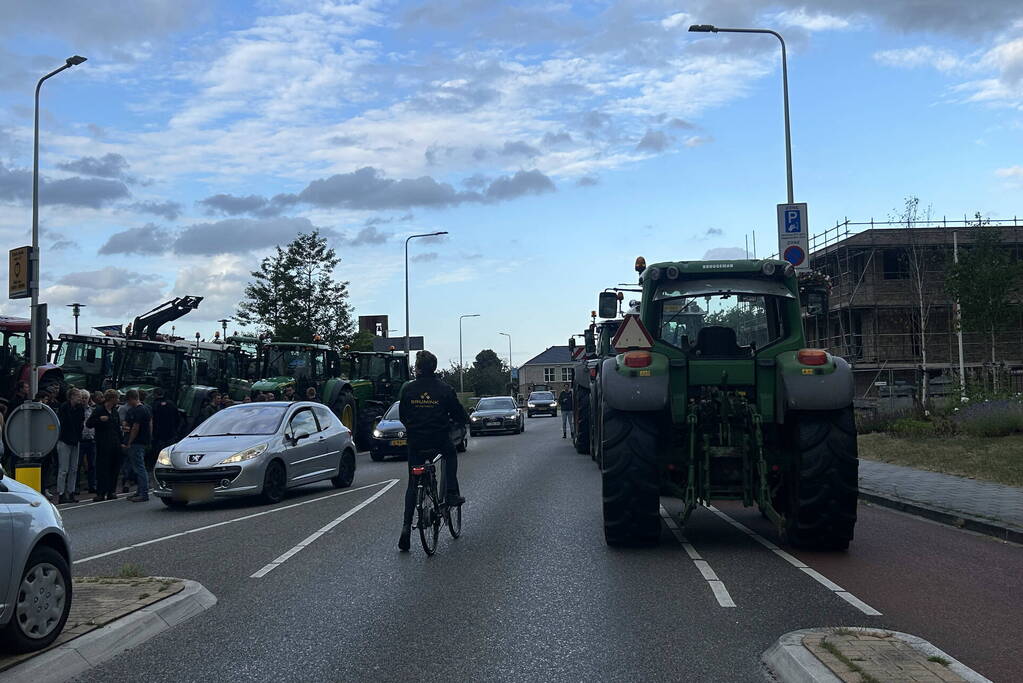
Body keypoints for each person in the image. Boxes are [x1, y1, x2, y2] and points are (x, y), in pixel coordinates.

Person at [397, 350, 469, 552]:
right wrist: (457, 422)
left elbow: (403, 415)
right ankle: (452, 493)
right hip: (438, 439)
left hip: (416, 442)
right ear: (434, 368)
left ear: (417, 369)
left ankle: (405, 528)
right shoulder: (445, 389)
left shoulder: (409, 390)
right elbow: (459, 414)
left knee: (412, 483)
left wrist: (414, 426)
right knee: (450, 454)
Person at [88, 389, 122, 501]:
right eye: (117, 398)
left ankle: (111, 491)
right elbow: (89, 424)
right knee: (103, 468)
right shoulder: (99, 410)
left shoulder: (115, 411)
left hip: (115, 443)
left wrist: (121, 442)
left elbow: (118, 427)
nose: (118, 400)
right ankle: (101, 492)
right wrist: (99, 420)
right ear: (112, 399)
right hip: (103, 444)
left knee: (114, 467)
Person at [122, 390, 152, 502]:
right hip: (143, 441)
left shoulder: (138, 411)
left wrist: (129, 442)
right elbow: (150, 424)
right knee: (138, 466)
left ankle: (143, 493)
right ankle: (140, 491)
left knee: (139, 467)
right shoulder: (146, 409)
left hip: (137, 442)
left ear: (131, 399)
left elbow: (135, 427)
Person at [56, 388, 86, 503]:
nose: (80, 397)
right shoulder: (64, 407)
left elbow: (81, 424)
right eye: (78, 395)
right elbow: (62, 424)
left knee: (74, 468)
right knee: (63, 469)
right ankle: (61, 493)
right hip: (64, 440)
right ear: (71, 396)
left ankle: (71, 491)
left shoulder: (80, 408)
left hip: (75, 440)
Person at [151, 387, 180, 465]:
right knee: (169, 451)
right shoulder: (171, 403)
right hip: (171, 432)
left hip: (159, 433)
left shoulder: (154, 405)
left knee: (159, 451)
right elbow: (178, 418)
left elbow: (152, 420)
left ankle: (159, 464)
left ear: (155, 395)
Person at [80, 391, 98, 494]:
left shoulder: (92, 410)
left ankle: (92, 485)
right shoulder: (77, 410)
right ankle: (76, 487)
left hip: (91, 440)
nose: (83, 400)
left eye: (85, 398)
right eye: (82, 398)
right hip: (80, 439)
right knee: (77, 465)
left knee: (92, 464)